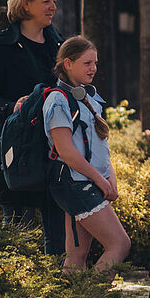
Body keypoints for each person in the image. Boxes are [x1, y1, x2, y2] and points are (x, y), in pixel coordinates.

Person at [0, 0, 66, 255]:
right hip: (19, 151)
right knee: (17, 235)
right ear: (26, 3)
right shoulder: (0, 46)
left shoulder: (59, 45)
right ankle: (17, 291)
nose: (53, 8)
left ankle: (57, 289)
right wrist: (12, 107)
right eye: (46, 2)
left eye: (54, 2)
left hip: (54, 149)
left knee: (57, 233)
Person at [45, 36, 131, 272]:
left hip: (88, 182)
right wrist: (100, 179)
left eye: (95, 62)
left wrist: (110, 177)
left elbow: (100, 147)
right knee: (119, 244)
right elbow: (67, 153)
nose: (93, 68)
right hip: (74, 184)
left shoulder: (90, 98)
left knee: (76, 255)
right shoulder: (57, 100)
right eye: (87, 63)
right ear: (67, 63)